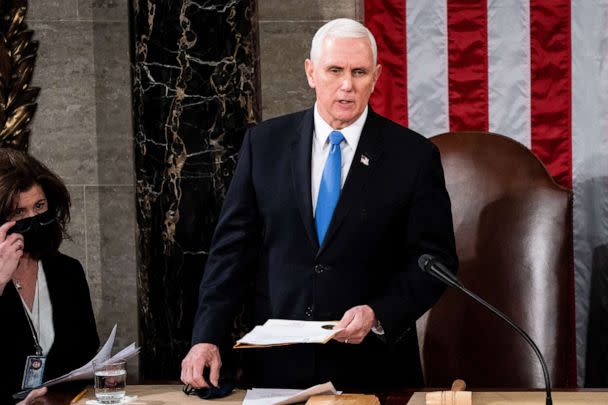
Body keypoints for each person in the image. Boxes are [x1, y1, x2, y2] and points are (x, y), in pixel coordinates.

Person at [181, 18, 458, 391]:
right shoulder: (264, 145)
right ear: (311, 72)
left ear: (376, 77)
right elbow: (230, 254)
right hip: (278, 371)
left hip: (374, 370)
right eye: (335, 70)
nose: (347, 85)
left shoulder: (413, 156)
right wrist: (206, 336)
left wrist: (378, 314)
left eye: (359, 72)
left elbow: (435, 262)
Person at [0, 148, 100, 403]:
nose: (33, 219)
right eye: (19, 213)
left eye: (39, 206)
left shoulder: (67, 271)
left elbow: (87, 354)